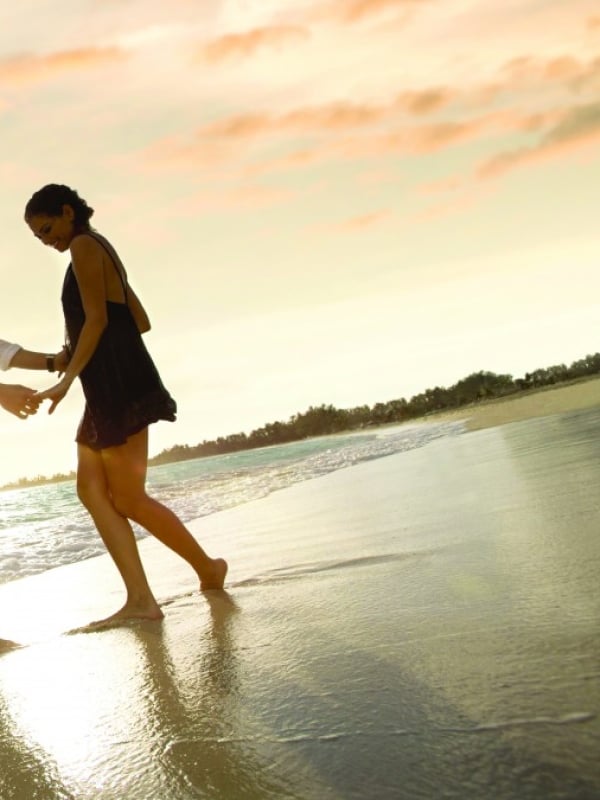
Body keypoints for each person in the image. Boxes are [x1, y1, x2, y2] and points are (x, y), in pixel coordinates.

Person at [23, 183, 227, 629]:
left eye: (47, 228)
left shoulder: (82, 246)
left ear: (66, 212)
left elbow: (97, 318)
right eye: (39, 237)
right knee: (91, 490)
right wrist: (76, 349)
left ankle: (206, 569)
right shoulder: (102, 249)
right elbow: (140, 319)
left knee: (129, 497)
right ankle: (140, 597)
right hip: (111, 383)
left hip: (115, 384)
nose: (47, 240)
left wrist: (68, 379)